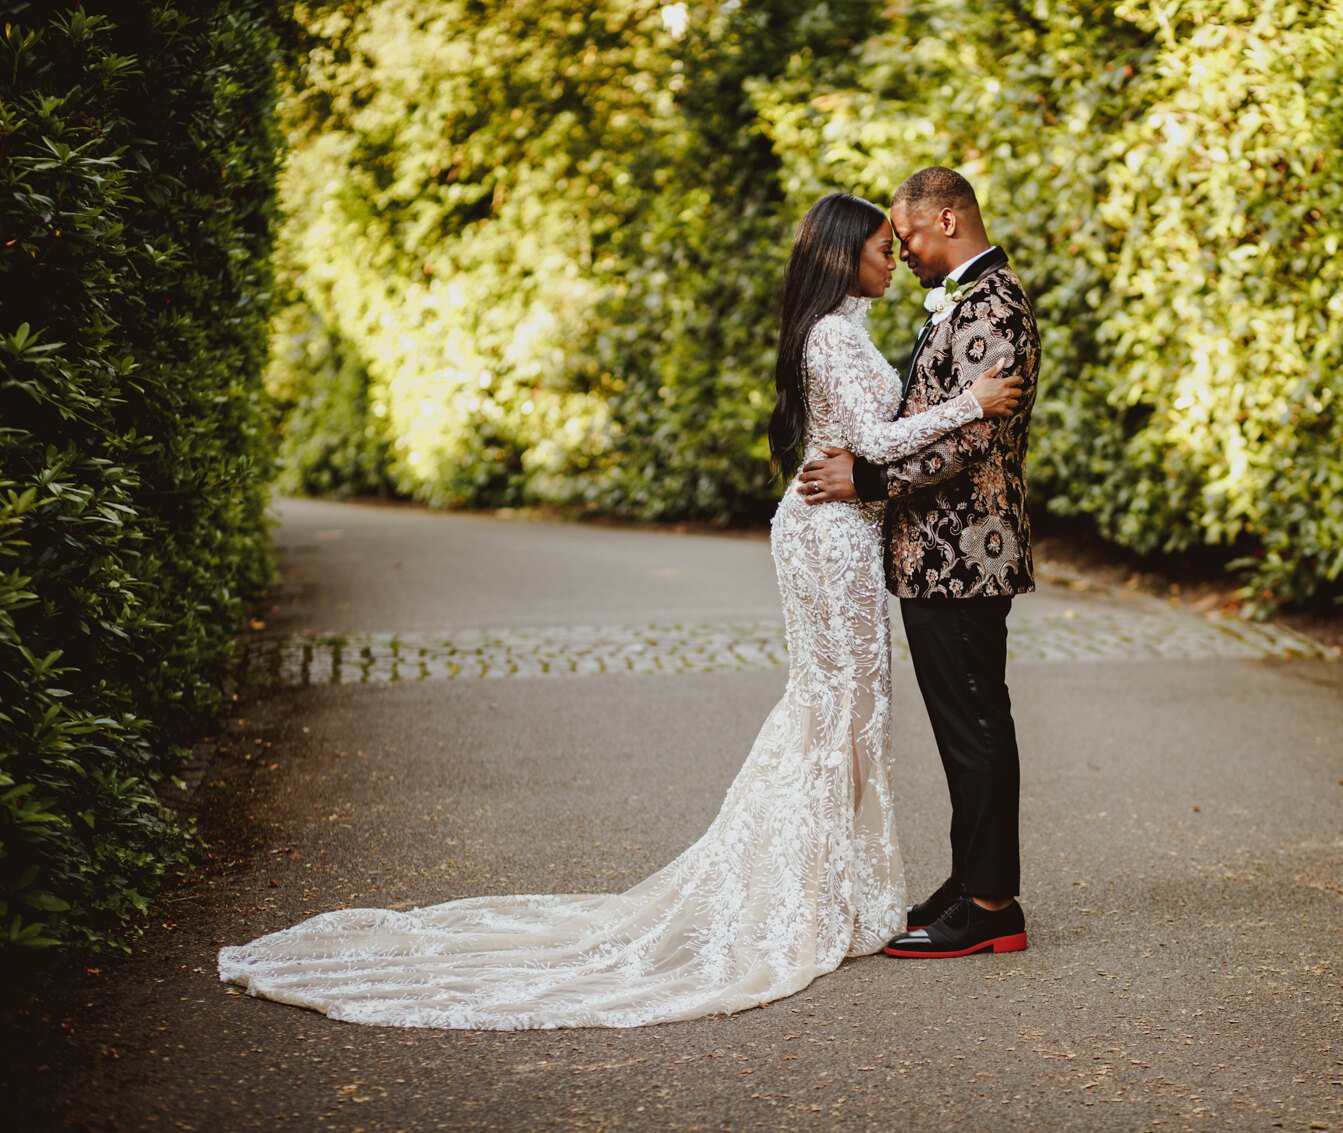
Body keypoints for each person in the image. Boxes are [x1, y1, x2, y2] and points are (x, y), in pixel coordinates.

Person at [216, 192, 1022, 1029]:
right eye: (880, 247)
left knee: (837, 706)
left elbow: (863, 438)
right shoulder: (834, 336)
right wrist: (973, 402)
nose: (893, 257)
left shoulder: (840, 331)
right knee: (846, 705)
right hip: (834, 537)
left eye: (899, 244)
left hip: (830, 531)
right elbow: (876, 443)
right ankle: (809, 890)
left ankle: (818, 882)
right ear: (842, 255)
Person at [795, 167, 1039, 960]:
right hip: (934, 555)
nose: (903, 253)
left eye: (908, 238)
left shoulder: (996, 304)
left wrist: (864, 480)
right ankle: (972, 879)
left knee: (974, 724)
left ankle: (992, 904)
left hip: (966, 554)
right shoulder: (967, 301)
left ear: (946, 219)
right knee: (962, 725)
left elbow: (970, 439)